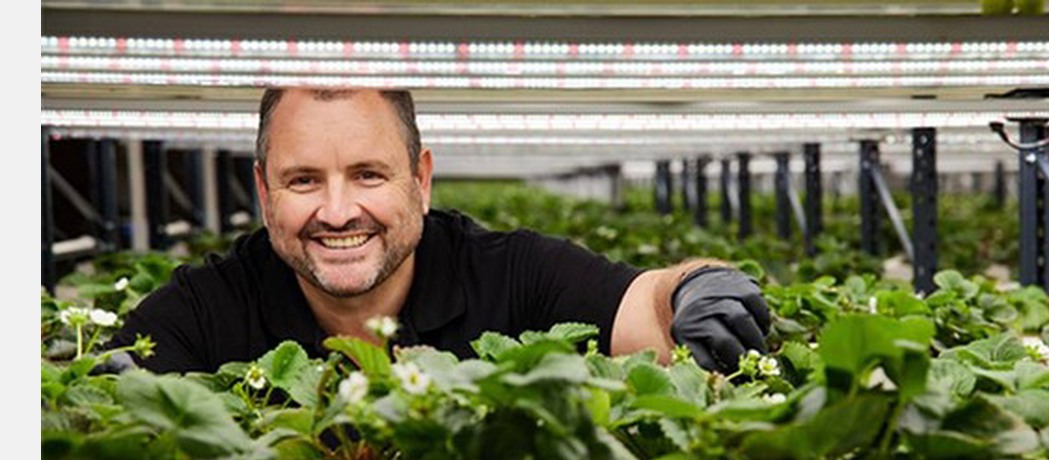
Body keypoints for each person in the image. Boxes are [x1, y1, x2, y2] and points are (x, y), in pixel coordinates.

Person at [108, 87, 770, 376]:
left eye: (368, 175)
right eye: (303, 180)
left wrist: (699, 288)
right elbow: (117, 399)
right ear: (263, 192)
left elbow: (648, 303)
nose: (337, 212)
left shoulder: (511, 275)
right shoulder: (200, 314)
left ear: (420, 180)